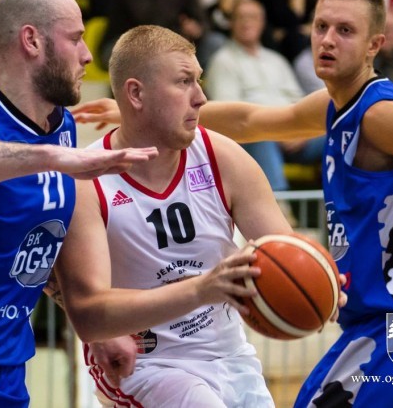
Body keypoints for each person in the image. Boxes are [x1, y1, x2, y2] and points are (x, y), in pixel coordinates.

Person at [72, 0, 393, 406]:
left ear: (375, 45)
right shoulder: (335, 108)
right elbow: (251, 121)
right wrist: (133, 111)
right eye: (321, 27)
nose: (327, 40)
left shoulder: (386, 114)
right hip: (372, 324)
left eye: (345, 31)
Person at [0, 0, 262, 407]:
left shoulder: (60, 126)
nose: (87, 55)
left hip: (1, 367)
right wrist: (53, 158)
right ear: (32, 41)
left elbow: (35, 255)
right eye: (75, 38)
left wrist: (99, 331)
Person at [56, 23, 291, 407]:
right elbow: (89, 312)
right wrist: (201, 288)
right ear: (136, 93)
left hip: (232, 355)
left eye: (199, 80)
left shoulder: (223, 157)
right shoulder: (88, 181)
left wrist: (320, 278)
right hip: (147, 364)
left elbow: (285, 253)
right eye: (184, 82)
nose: (201, 98)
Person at [206, 0, 323, 194]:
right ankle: (280, 205)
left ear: (262, 22)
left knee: (340, 129)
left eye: (253, 17)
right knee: (259, 134)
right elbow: (229, 116)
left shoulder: (276, 60)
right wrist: (277, 129)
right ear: (231, 23)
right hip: (255, 137)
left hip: (295, 134)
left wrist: (302, 131)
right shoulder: (222, 61)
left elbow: (299, 101)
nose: (247, 22)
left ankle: (347, 200)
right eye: (241, 17)